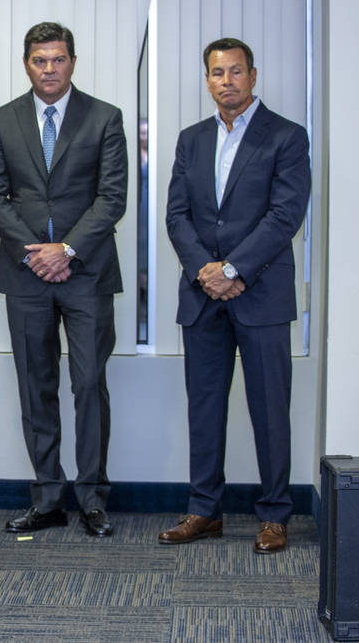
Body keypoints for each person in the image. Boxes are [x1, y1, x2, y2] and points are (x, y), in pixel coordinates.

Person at [160, 38, 310, 554]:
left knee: (270, 407)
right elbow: (176, 215)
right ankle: (205, 510)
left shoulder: (287, 137)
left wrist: (232, 268)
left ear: (253, 75)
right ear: (207, 80)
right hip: (202, 294)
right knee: (204, 407)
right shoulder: (191, 139)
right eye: (218, 73)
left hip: (261, 293)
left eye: (237, 71)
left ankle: (274, 514)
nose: (227, 80)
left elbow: (285, 215)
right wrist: (206, 272)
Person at [0, 21, 127, 538]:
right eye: (39, 60)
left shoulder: (105, 118)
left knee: (88, 385)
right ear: (27, 64)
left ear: (72, 62)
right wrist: (33, 254)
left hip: (85, 273)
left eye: (58, 59)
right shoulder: (2, 120)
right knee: (35, 387)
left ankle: (92, 498)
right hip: (25, 276)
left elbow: (112, 198)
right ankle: (47, 498)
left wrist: (65, 250)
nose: (49, 69)